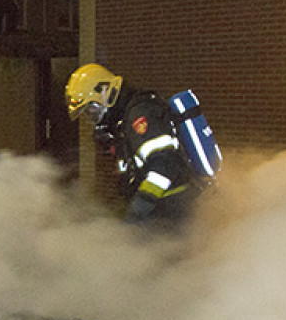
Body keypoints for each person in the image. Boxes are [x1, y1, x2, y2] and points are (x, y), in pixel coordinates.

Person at [66, 63, 199, 225]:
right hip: (161, 210)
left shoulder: (139, 115)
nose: (91, 117)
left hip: (172, 210)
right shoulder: (122, 122)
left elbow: (164, 164)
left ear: (105, 92)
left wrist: (141, 206)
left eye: (91, 109)